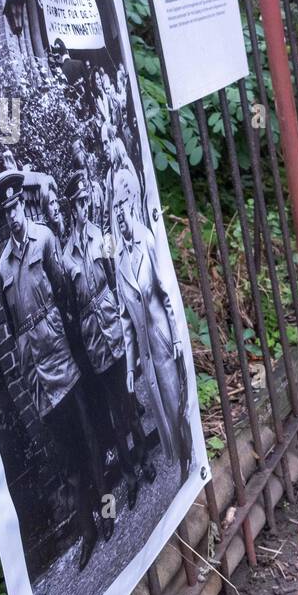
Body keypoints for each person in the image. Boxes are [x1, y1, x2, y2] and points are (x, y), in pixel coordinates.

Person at [0, 171, 108, 569]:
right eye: (5, 211)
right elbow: (10, 321)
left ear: (24, 206)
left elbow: (62, 289)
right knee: (65, 451)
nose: (12, 216)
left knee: (87, 434)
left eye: (15, 207)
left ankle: (105, 508)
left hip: (59, 350)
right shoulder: (3, 265)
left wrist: (63, 333)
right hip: (37, 370)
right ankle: (88, 525)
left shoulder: (44, 239)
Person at [62, 172, 154, 509]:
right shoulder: (65, 255)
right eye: (80, 202)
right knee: (114, 419)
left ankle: (145, 460)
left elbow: (118, 277)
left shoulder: (101, 236)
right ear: (72, 207)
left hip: (115, 332)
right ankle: (129, 477)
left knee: (129, 404)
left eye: (87, 200)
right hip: (94, 344)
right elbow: (69, 305)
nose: (85, 206)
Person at [112, 193, 192, 480]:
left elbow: (167, 292)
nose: (122, 223)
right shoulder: (119, 262)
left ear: (131, 210)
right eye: (117, 219)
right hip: (146, 353)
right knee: (161, 414)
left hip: (162, 339)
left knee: (176, 403)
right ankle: (181, 465)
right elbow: (125, 320)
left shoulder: (146, 241)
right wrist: (130, 367)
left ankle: (189, 458)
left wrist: (178, 337)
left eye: (124, 215)